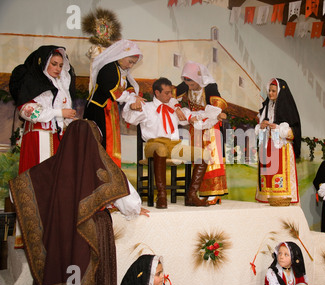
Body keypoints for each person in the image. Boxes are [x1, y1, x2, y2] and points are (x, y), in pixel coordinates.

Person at [8, 119, 148, 285]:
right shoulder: (106, 170)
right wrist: (131, 209)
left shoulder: (50, 168)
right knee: (88, 276)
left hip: (60, 230)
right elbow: (131, 204)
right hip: (94, 230)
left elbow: (16, 193)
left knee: (64, 270)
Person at [122, 77, 207, 208]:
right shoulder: (147, 107)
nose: (170, 96)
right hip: (153, 144)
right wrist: (133, 108)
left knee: (204, 155)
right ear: (157, 92)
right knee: (161, 149)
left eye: (171, 93)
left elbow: (186, 117)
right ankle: (161, 195)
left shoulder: (174, 107)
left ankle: (191, 195)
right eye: (166, 93)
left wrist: (193, 118)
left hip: (173, 146)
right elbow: (130, 118)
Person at [9, 45, 77, 174]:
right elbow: (26, 111)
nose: (57, 69)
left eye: (61, 66)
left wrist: (71, 119)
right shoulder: (33, 82)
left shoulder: (61, 86)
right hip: (39, 136)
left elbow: (64, 110)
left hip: (58, 137)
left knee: (57, 175)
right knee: (40, 175)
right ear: (45, 63)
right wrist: (59, 113)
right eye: (54, 64)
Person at [84, 39, 145, 167]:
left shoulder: (121, 70)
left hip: (109, 110)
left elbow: (128, 87)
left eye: (133, 63)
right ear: (121, 56)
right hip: (98, 110)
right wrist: (131, 98)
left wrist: (134, 96)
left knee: (110, 141)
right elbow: (112, 91)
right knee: (101, 141)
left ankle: (110, 170)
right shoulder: (108, 68)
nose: (130, 66)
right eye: (130, 62)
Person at [175, 61, 228, 206]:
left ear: (198, 78)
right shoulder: (185, 85)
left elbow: (216, 108)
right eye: (185, 80)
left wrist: (203, 117)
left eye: (190, 81)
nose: (187, 84)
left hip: (210, 125)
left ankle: (215, 192)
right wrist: (178, 108)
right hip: (196, 126)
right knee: (199, 158)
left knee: (212, 158)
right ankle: (201, 191)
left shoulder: (210, 87)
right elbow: (172, 96)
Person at [255, 78, 301, 204]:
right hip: (267, 149)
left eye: (273, 91)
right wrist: (262, 127)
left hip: (282, 150)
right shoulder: (266, 107)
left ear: (280, 92)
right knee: (267, 183)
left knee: (280, 183)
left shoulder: (288, 109)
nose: (270, 93)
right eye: (269, 90)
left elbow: (293, 133)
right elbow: (258, 131)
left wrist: (278, 128)